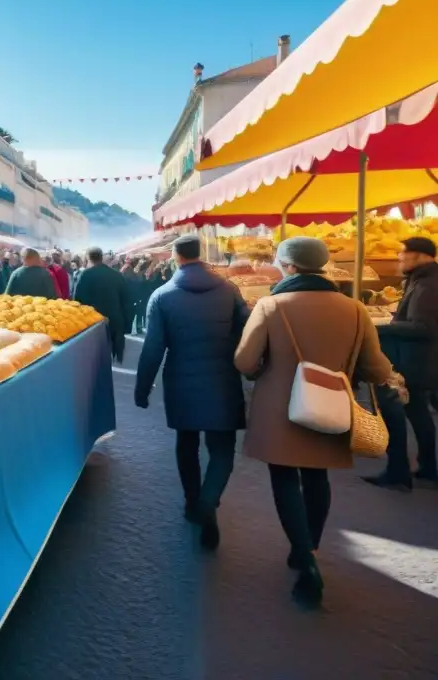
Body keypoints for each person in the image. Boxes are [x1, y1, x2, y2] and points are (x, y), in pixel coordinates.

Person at [234, 237, 392, 605]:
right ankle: (312, 549)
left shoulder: (272, 306)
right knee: (317, 476)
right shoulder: (355, 309)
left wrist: (264, 372)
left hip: (280, 408)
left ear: (288, 265)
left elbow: (244, 361)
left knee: (285, 477)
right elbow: (376, 366)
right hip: (331, 404)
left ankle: (302, 554)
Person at [134, 235, 249, 551]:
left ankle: (192, 501)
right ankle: (209, 502)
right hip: (224, 380)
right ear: (200, 255)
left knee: (186, 443)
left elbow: (153, 347)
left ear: (176, 256)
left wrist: (142, 389)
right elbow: (248, 331)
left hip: (182, 381)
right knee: (222, 448)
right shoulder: (229, 290)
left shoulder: (162, 295)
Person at [368, 236, 438, 489]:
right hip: (420, 359)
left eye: (404, 254)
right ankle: (428, 467)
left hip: (416, 361)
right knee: (417, 412)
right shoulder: (421, 280)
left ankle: (399, 472)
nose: (400, 259)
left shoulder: (427, 285)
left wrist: (385, 327)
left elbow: (424, 327)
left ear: (421, 256)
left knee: (398, 410)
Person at [73, 247, 131, 362]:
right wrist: (126, 324)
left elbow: (78, 301)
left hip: (93, 322)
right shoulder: (116, 275)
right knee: (109, 354)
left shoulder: (85, 275)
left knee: (96, 358)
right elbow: (126, 300)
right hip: (115, 319)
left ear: (88, 258)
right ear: (102, 257)